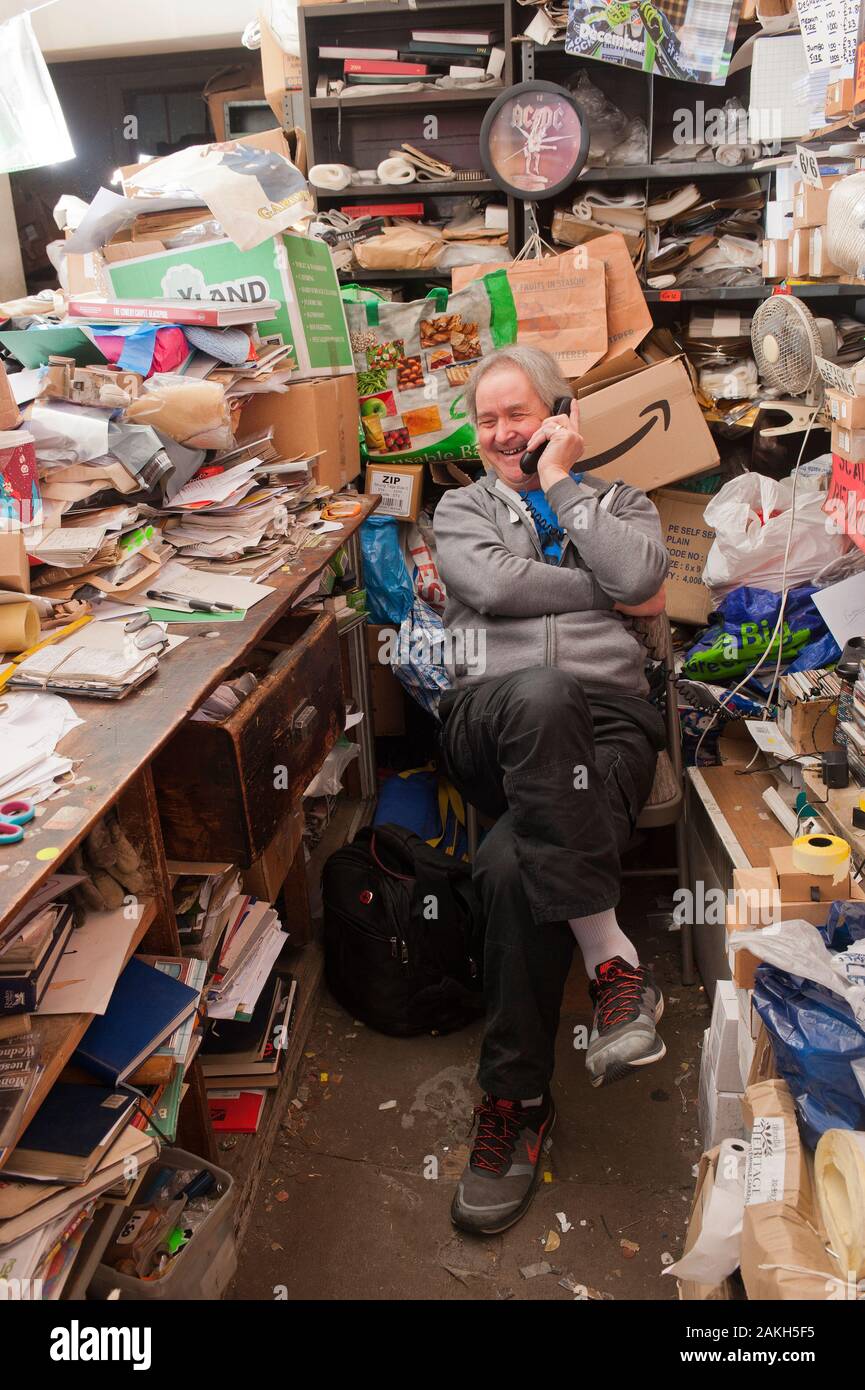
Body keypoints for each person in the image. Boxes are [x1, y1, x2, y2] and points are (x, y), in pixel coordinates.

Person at [433, 345, 670, 1236]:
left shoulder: (619, 503)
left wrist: (566, 487)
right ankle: (612, 959)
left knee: (505, 869)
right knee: (541, 691)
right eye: (486, 419)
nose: (501, 434)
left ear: (560, 416)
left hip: (606, 729)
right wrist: (605, 598)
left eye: (519, 415)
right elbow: (491, 581)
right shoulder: (461, 508)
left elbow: (645, 577)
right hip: (489, 724)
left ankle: (514, 1108)